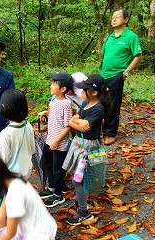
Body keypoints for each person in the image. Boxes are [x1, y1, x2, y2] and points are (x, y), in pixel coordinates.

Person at [62, 74, 111, 225]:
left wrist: (77, 122)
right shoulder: (85, 103)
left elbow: (85, 127)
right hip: (79, 144)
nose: (81, 93)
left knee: (78, 180)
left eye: (84, 90)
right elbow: (74, 122)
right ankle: (80, 202)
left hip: (87, 148)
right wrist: (76, 122)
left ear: (94, 92)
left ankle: (84, 212)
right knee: (76, 176)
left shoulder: (98, 108)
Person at [0, 152, 57, 240]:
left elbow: (10, 233)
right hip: (44, 225)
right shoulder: (15, 179)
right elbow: (2, 212)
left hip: (40, 234)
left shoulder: (14, 194)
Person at [100, 8, 142, 145]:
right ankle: (101, 129)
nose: (114, 19)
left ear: (126, 19)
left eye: (118, 17)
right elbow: (104, 55)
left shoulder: (131, 36)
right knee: (102, 103)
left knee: (113, 104)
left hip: (116, 75)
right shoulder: (109, 37)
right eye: (113, 17)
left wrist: (126, 72)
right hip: (103, 75)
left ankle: (110, 133)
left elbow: (137, 55)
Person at [37, 72, 74, 207]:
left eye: (54, 84)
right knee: (49, 165)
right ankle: (52, 188)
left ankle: (58, 195)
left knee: (58, 169)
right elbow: (53, 114)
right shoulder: (53, 100)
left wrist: (57, 140)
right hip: (49, 139)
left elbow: (67, 126)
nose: (51, 85)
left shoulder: (67, 104)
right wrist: (46, 113)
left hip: (59, 143)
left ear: (63, 89)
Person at [0, 89, 35, 179]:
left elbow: (2, 158)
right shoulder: (28, 125)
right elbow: (32, 149)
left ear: (5, 108)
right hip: (26, 169)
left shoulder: (6, 133)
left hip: (12, 174)